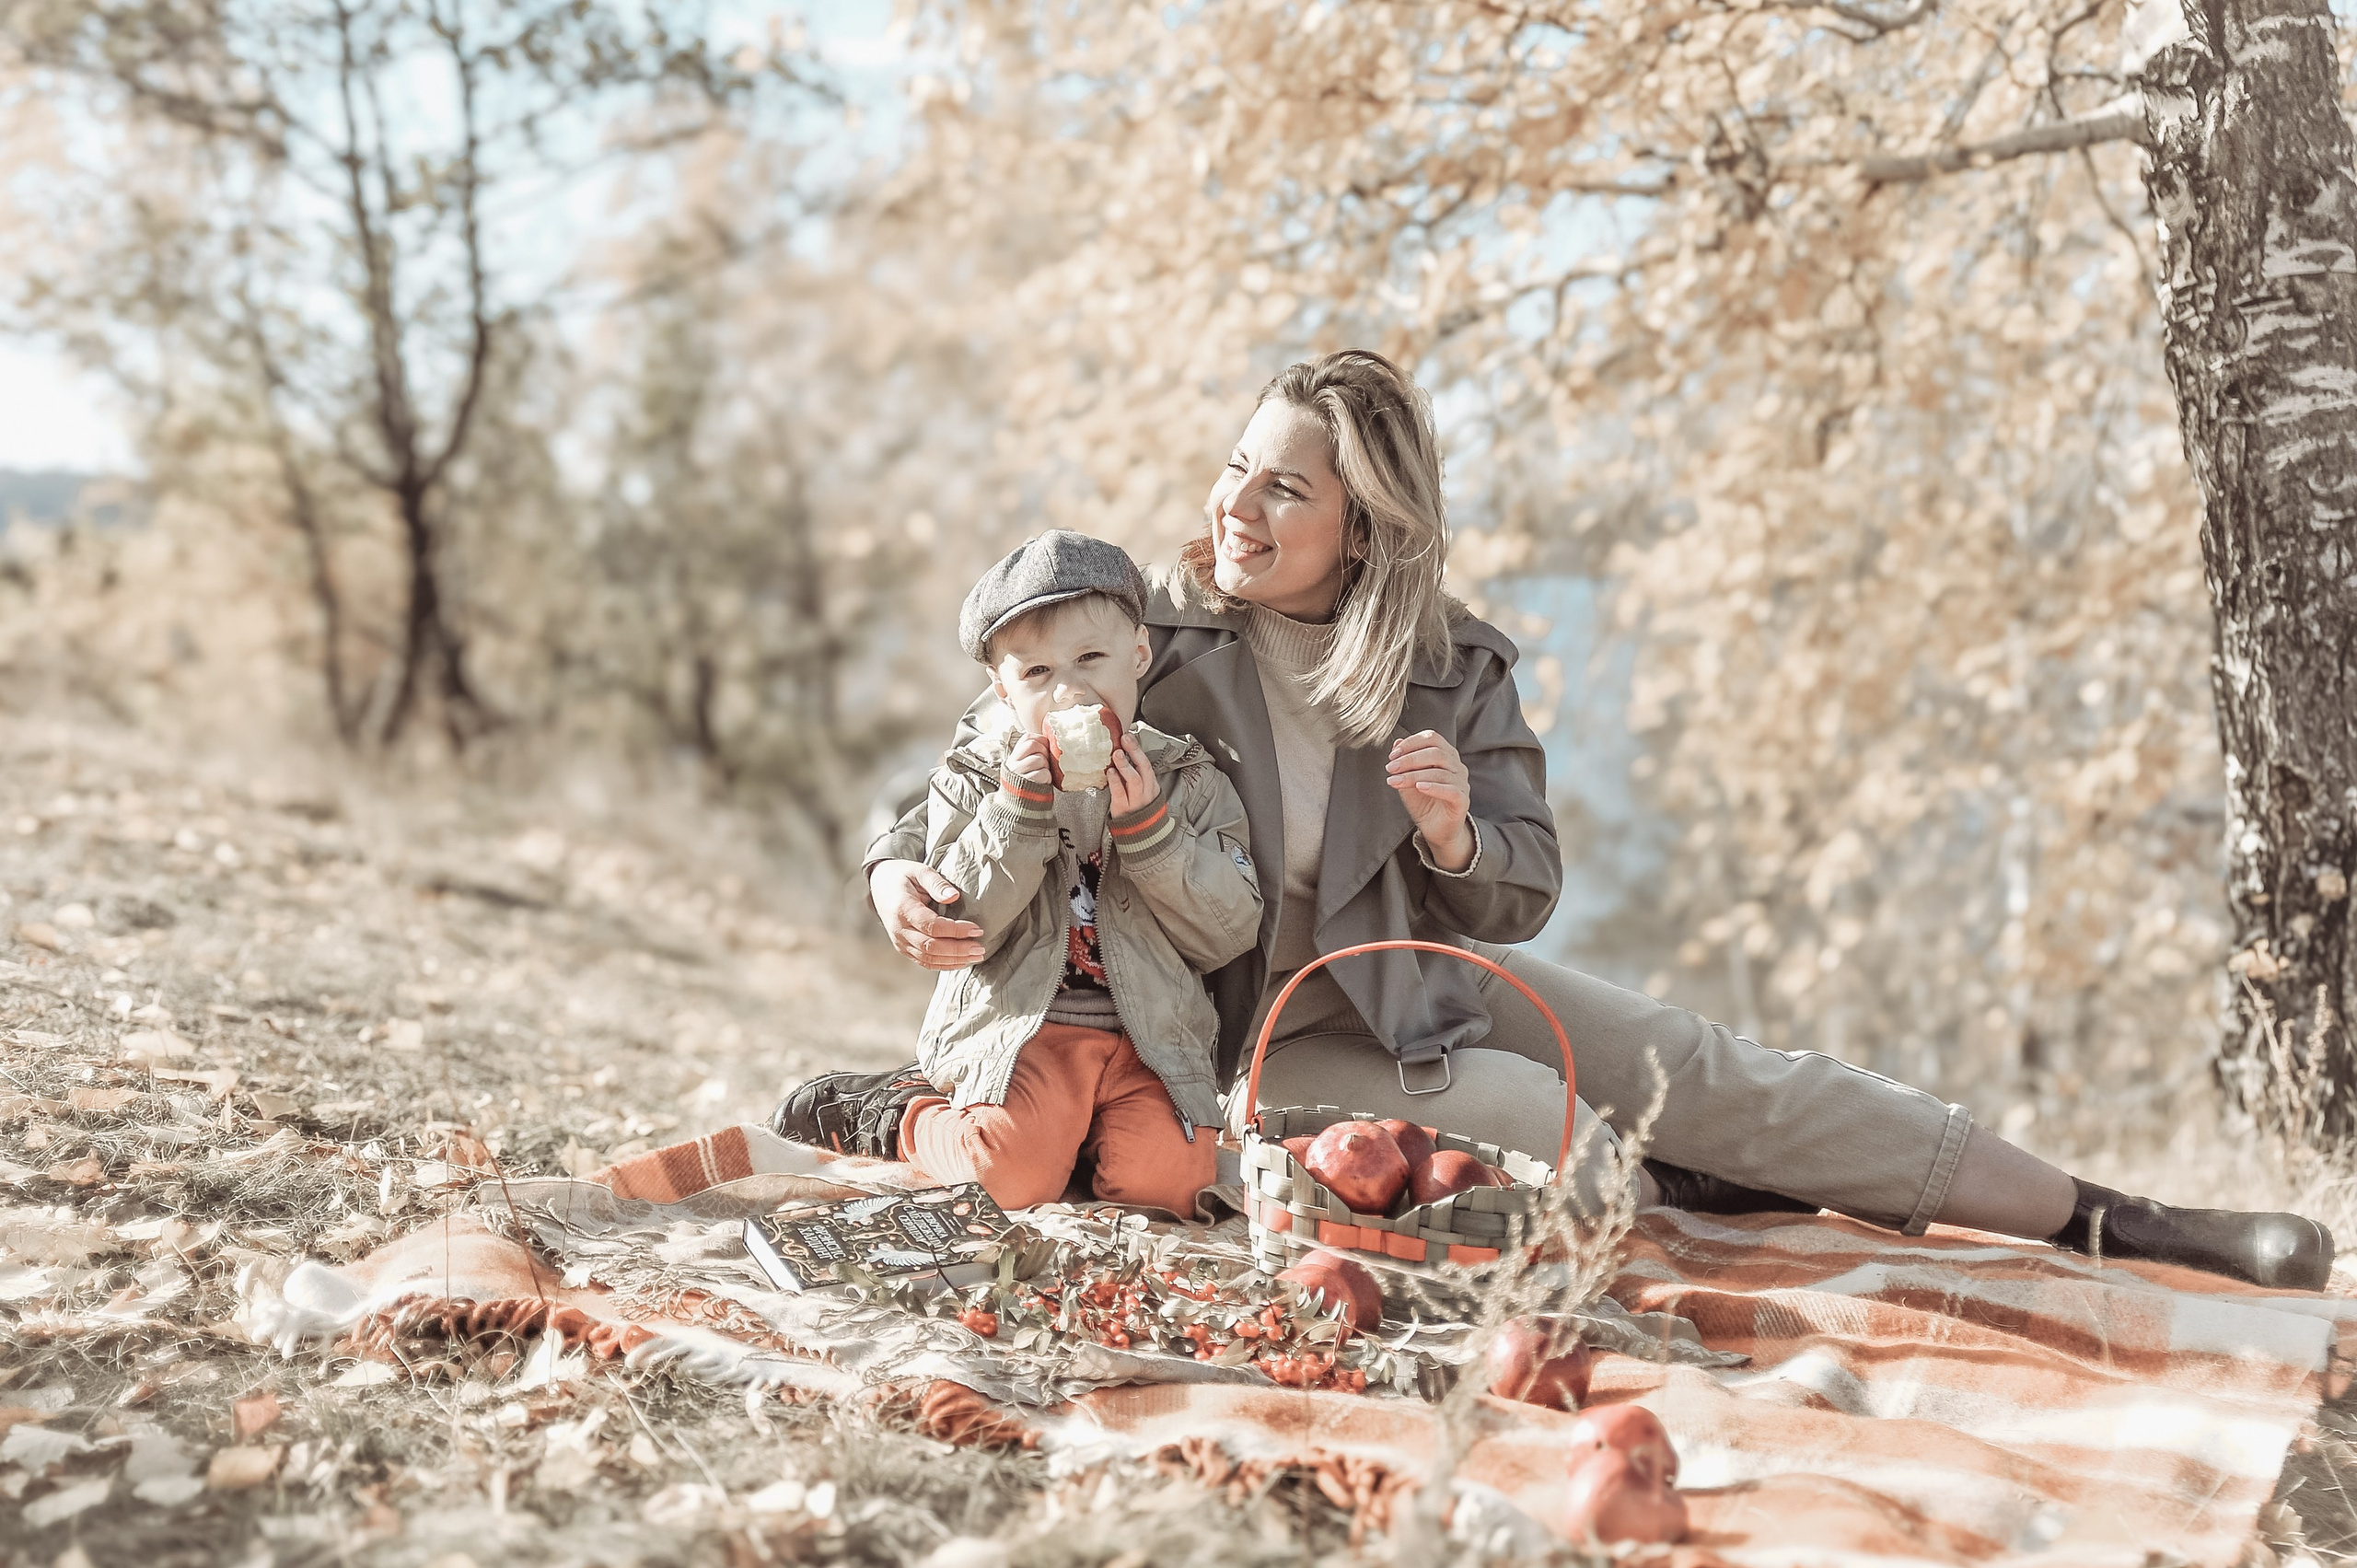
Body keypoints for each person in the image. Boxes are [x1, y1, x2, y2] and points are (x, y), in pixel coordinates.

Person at [833, 349, 2331, 1291]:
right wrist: (902, 859)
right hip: (1222, 1031)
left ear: (1367, 527)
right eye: (1239, 464)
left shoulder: (1451, 665)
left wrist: (1453, 841)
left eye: (1285, 488)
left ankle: (2114, 1217)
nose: (1238, 505)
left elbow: (1522, 885)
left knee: (1704, 1060)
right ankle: (1673, 1172)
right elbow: (974, 747)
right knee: (1586, 1171)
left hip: (1403, 971)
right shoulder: (1150, 626)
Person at [773, 531, 1262, 1217]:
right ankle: (894, 1114)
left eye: (1091, 657)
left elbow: (1230, 930)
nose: (1069, 689)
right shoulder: (975, 781)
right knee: (1002, 1181)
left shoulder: (1189, 780)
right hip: (1025, 1032)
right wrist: (1014, 818)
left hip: (1150, 1040)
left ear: (1140, 655)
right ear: (1002, 690)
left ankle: (1080, 1147)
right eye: (1036, 674)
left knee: (1175, 1188)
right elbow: (959, 921)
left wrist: (1155, 835)